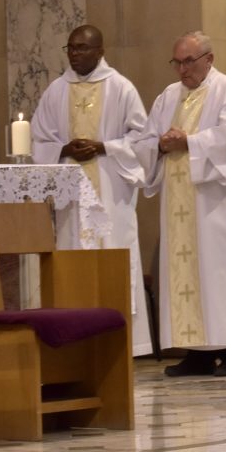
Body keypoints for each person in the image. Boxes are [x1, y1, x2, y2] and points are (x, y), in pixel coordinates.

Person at [137, 32, 226, 377]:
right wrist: (160, 146)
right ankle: (197, 351)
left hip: (219, 204)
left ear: (209, 59)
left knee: (221, 274)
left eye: (189, 61)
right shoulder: (167, 97)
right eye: (177, 62)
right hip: (179, 204)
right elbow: (145, 141)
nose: (182, 70)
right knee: (186, 275)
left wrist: (189, 141)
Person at [31, 25, 151, 356]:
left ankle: (122, 343)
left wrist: (104, 147)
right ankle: (76, 342)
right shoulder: (56, 91)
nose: (75, 54)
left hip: (110, 191)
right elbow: (39, 139)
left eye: (82, 48)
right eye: (70, 47)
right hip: (71, 196)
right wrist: (64, 148)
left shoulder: (121, 88)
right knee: (73, 255)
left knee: (113, 252)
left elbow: (142, 138)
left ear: (100, 51)